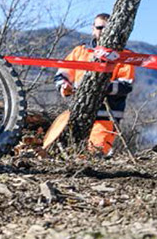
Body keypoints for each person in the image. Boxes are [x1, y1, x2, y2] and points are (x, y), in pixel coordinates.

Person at [53, 13, 135, 156]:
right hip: (78, 113)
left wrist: (98, 88)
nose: (103, 31)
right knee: (68, 153)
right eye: (99, 27)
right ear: (93, 29)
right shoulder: (81, 51)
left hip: (106, 116)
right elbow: (62, 74)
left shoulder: (123, 56)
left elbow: (125, 85)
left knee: (95, 155)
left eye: (107, 28)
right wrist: (64, 86)